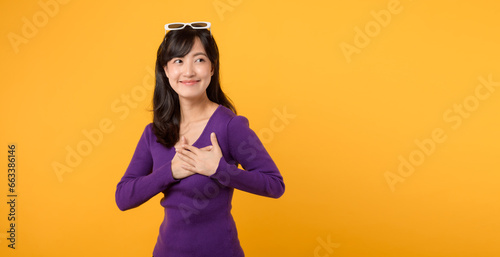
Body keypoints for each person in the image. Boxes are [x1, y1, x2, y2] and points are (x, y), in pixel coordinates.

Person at [115, 21, 285, 257]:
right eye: (178, 61)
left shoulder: (230, 126)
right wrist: (171, 171)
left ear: (212, 68)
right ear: (165, 70)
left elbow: (274, 185)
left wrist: (219, 170)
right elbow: (123, 197)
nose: (188, 71)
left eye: (199, 59)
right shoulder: (154, 132)